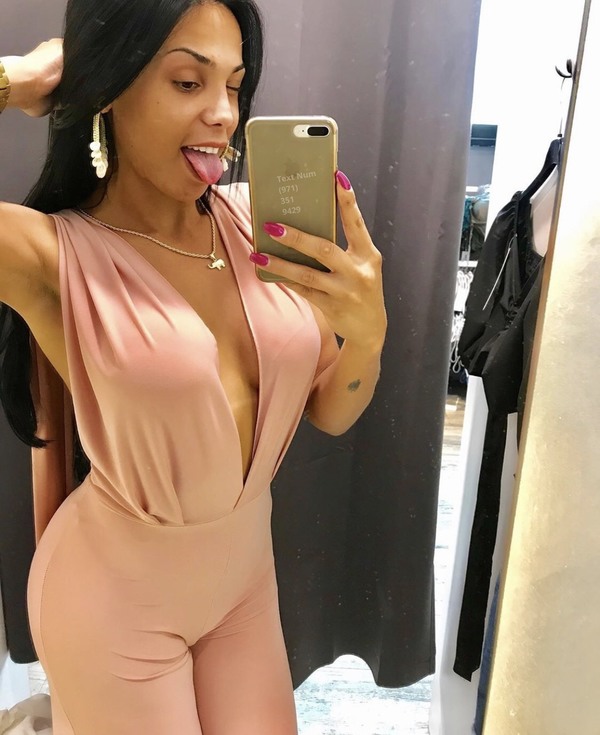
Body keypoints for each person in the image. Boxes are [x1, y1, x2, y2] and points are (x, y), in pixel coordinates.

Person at [0, 1, 387, 733]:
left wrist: (367, 335)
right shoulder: (48, 254)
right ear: (110, 87)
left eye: (235, 86)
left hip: (244, 586)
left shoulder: (260, 224)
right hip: (114, 603)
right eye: (187, 82)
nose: (223, 114)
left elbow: (332, 412)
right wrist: (18, 80)